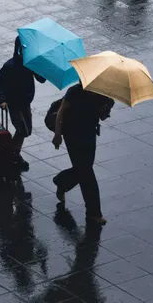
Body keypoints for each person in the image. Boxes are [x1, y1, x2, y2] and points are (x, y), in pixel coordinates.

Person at [52, 83, 114, 225]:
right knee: (87, 172)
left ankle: (61, 181)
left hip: (89, 135)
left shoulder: (101, 94)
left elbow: (102, 116)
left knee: (83, 169)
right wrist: (57, 134)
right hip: (72, 135)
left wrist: (106, 109)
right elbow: (61, 112)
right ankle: (93, 213)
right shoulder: (74, 92)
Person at [0, 36, 46, 171]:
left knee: (26, 130)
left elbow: (42, 79)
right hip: (14, 103)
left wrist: (37, 69)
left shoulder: (30, 65)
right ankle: (12, 154)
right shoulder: (10, 66)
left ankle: (13, 153)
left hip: (25, 102)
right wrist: (3, 99)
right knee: (22, 129)